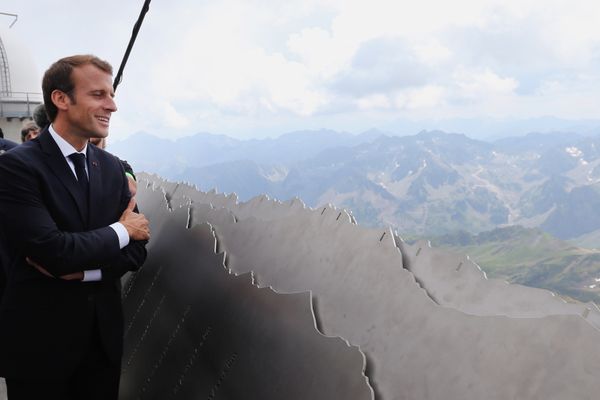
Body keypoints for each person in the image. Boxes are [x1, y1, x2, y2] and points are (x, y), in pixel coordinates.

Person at [0, 54, 150, 399]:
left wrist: (86, 273)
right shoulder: (17, 168)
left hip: (101, 345)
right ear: (61, 99)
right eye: (98, 95)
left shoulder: (112, 168)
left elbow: (138, 250)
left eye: (111, 95)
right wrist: (120, 231)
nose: (112, 106)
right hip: (39, 350)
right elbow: (54, 252)